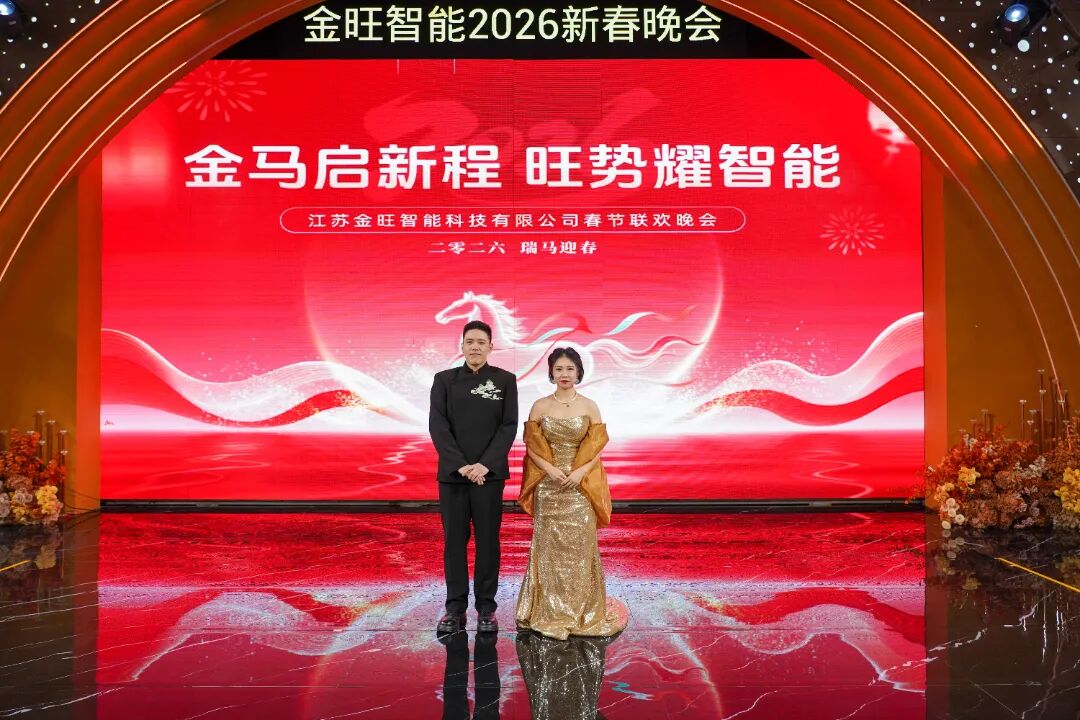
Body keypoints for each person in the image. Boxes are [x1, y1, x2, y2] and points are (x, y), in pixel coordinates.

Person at [515, 347, 627, 640]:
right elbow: (531, 447)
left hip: (580, 486)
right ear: (551, 373)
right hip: (549, 486)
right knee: (548, 550)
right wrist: (550, 470)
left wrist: (579, 473)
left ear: (578, 372)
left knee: (580, 549)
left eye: (569, 369)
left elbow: (596, 448)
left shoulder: (590, 406)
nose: (564, 374)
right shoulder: (540, 406)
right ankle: (549, 611)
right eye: (559, 369)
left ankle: (581, 611)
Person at [430, 320, 518, 634]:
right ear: (462, 346)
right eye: (470, 342)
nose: (475, 347)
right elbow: (438, 426)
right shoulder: (444, 380)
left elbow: (508, 426)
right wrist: (461, 465)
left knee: (488, 543)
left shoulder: (505, 380)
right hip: (454, 477)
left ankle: (486, 609)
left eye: (481, 342)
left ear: (491, 347)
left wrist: (485, 465)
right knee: (454, 543)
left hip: (488, 478)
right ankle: (454, 608)